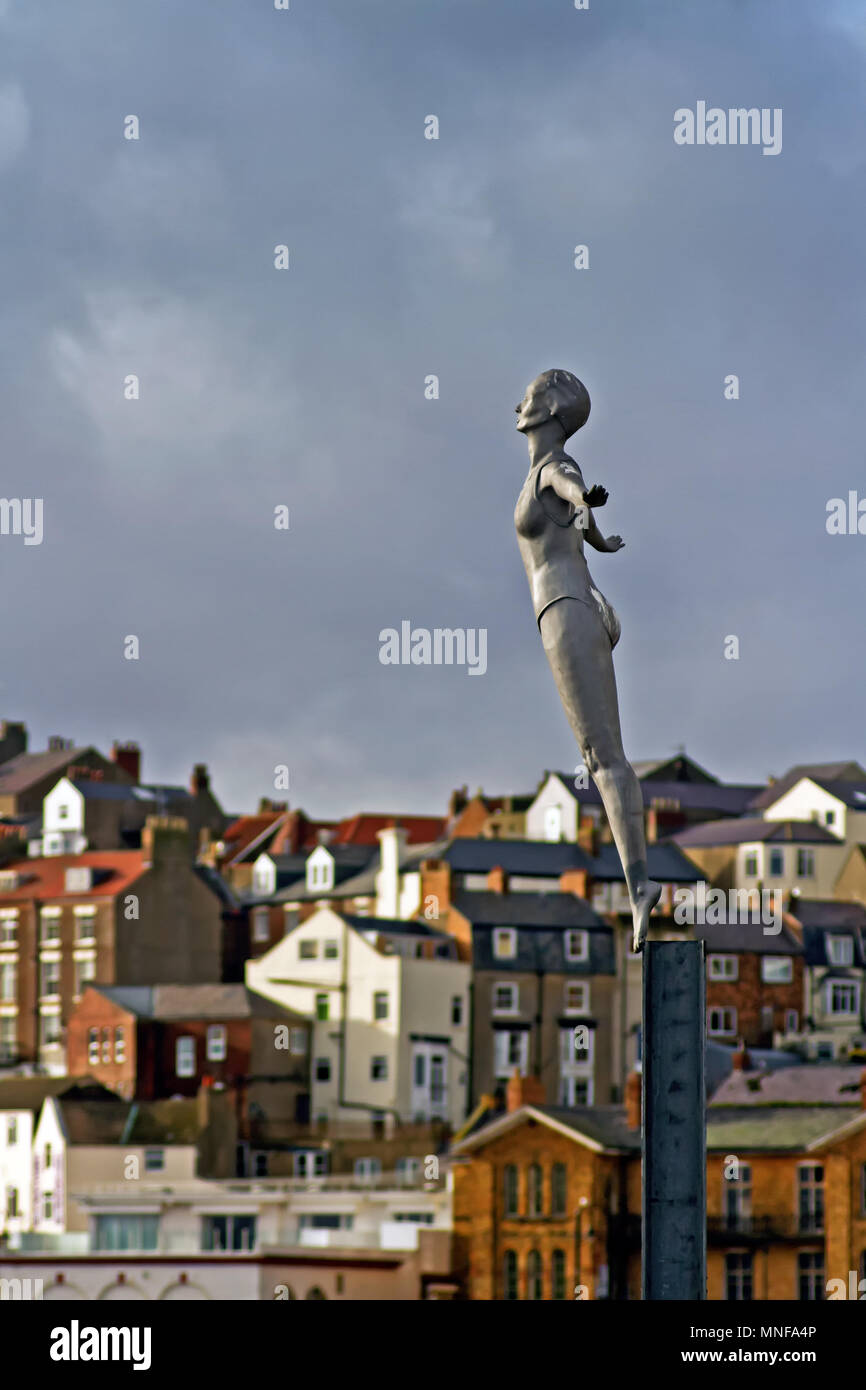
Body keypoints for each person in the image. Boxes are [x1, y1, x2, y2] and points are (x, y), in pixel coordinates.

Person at [514, 368, 661, 952]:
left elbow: (571, 487)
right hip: (567, 608)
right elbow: (579, 517)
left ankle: (640, 885)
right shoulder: (542, 472)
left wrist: (587, 499)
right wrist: (600, 538)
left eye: (526, 396)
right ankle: (639, 884)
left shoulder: (556, 467)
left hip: (568, 608)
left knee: (605, 759)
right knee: (597, 756)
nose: (516, 405)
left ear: (549, 408)